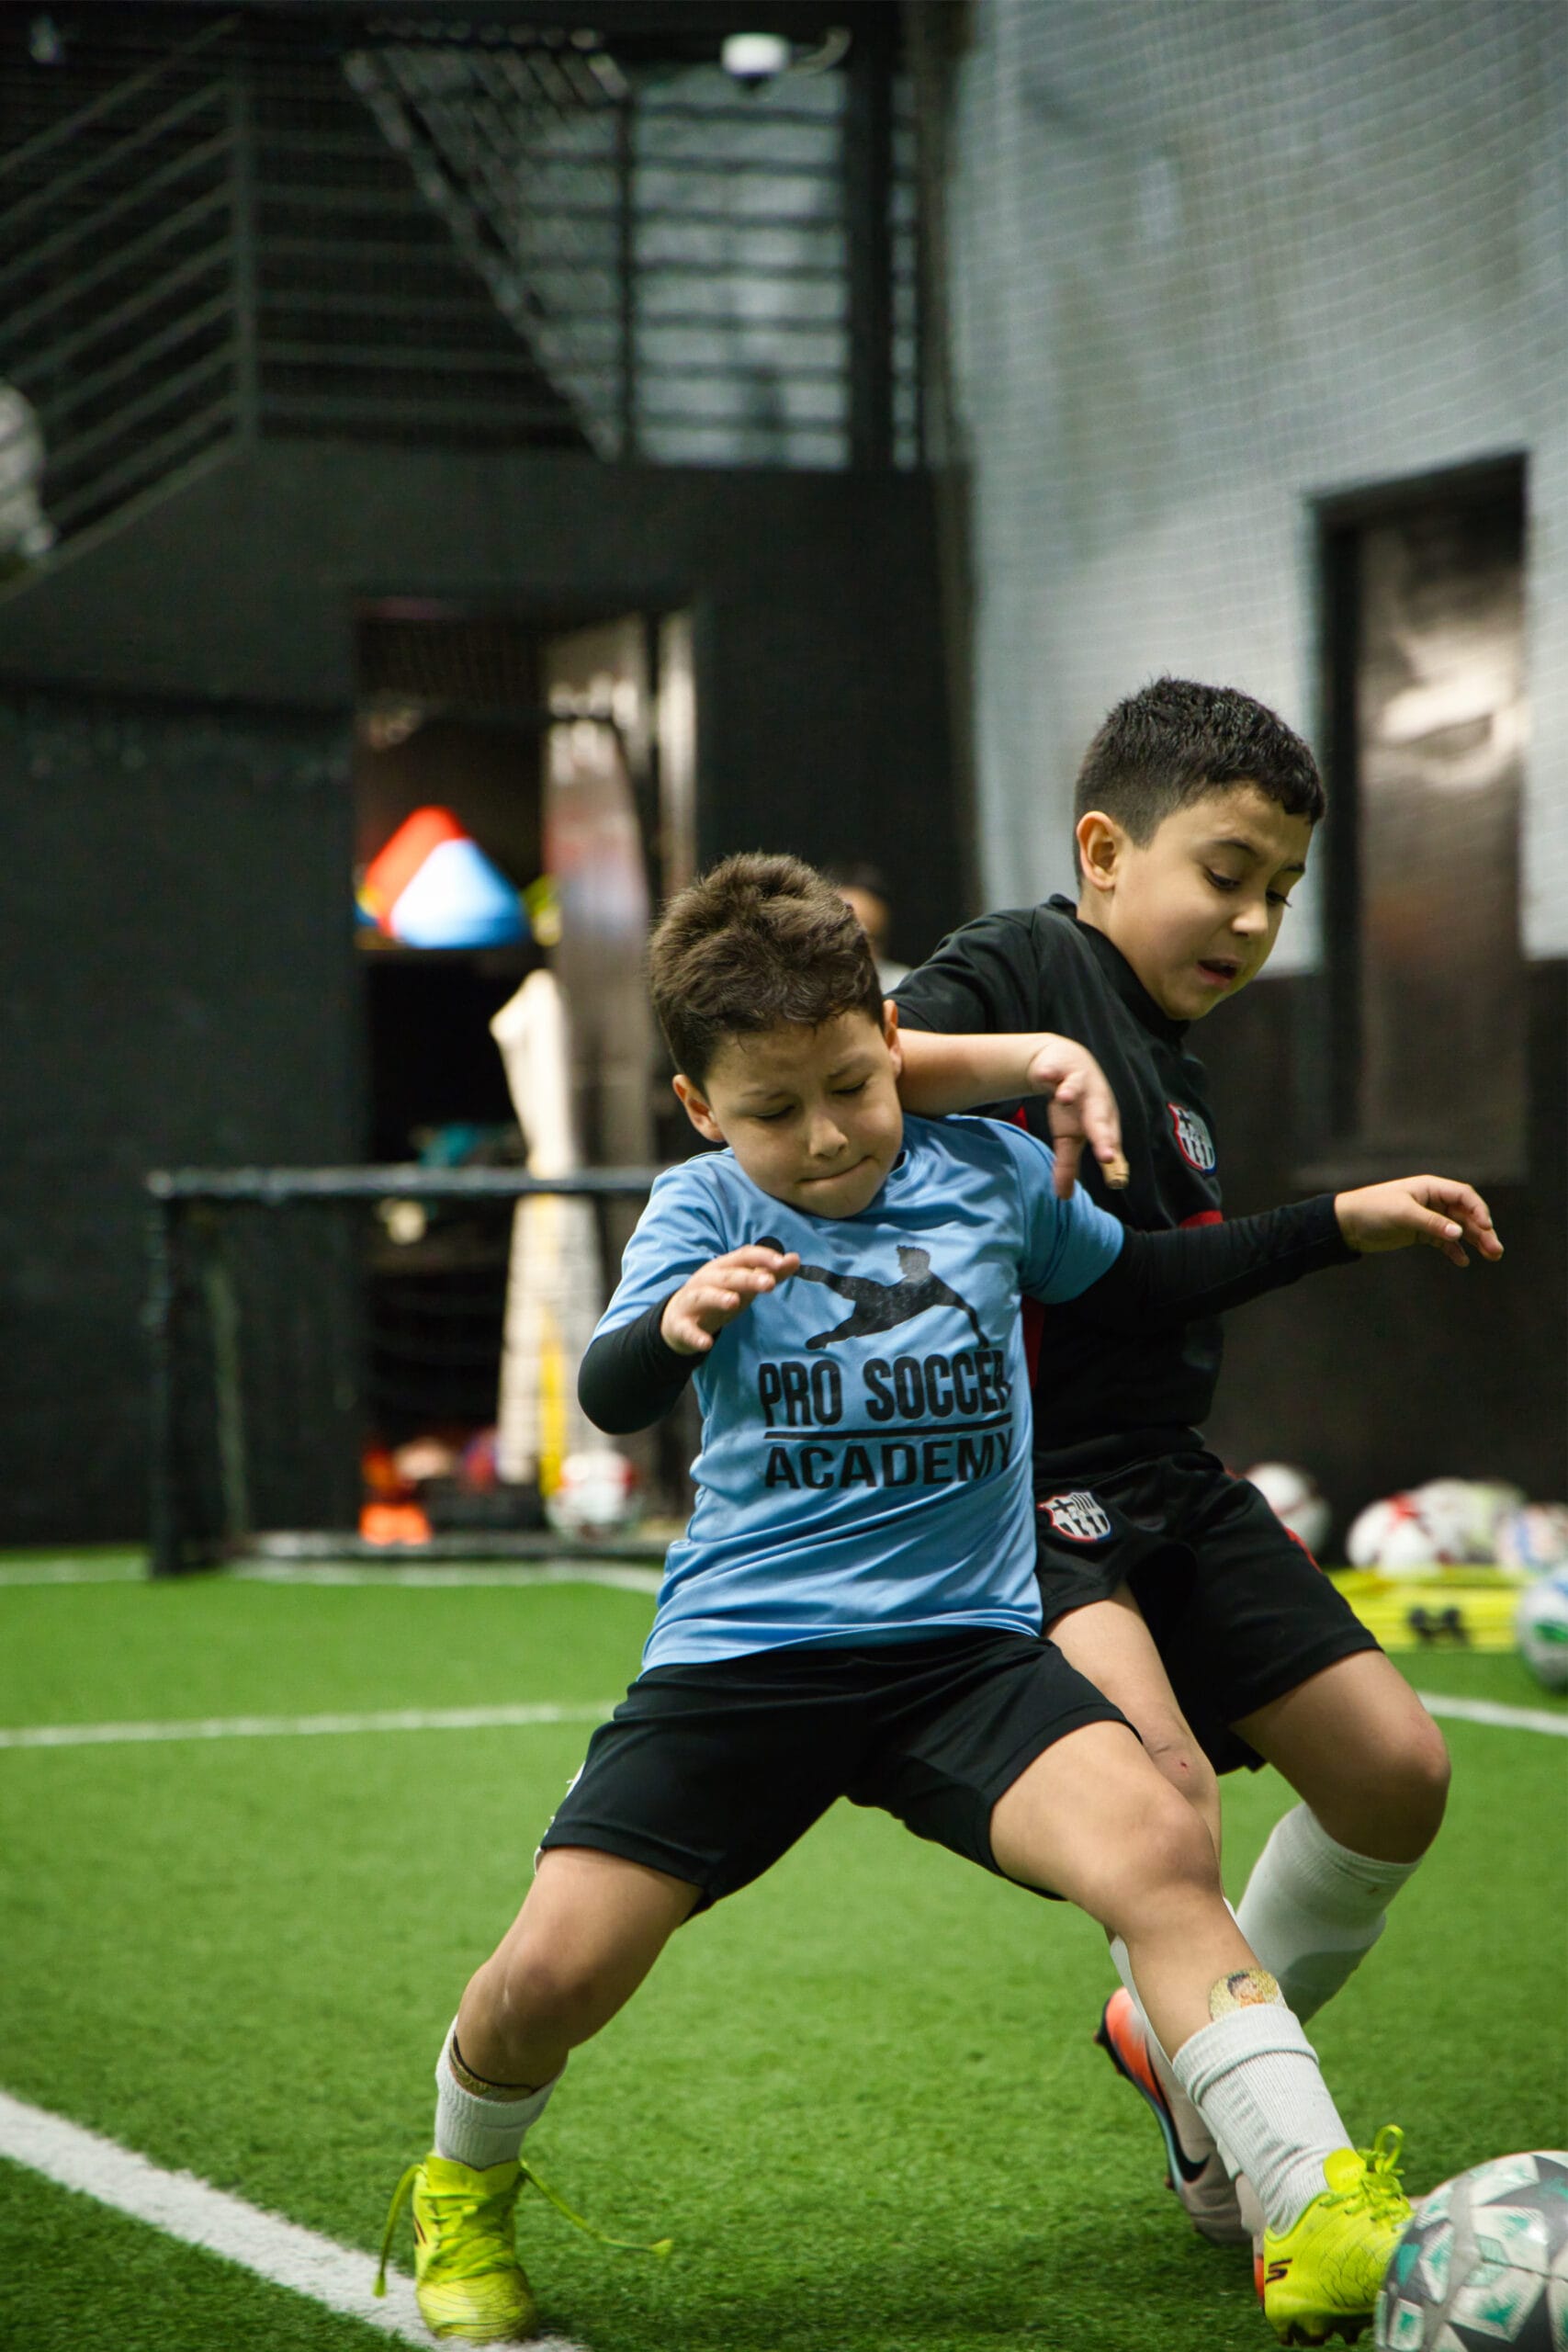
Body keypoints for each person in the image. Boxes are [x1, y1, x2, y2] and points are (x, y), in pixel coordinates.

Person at [378, 852, 1491, 2347]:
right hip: (748, 1662)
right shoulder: (699, 1206)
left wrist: (1336, 1224)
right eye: (774, 1111)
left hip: (964, 1657)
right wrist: (675, 1324)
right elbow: (609, 1385)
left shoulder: (983, 1177)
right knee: (548, 1980)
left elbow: (1146, 1283)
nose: (828, 1136)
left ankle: (1310, 2210)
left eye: (853, 1085)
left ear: (892, 1047)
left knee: (1161, 1843)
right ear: (704, 1109)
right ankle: (461, 2187)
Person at [892, 676, 1505, 2248]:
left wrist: (1335, 1224)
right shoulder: (1025, 965)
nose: (1251, 920)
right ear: (1104, 849)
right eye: (1224, 873)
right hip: (1026, 1489)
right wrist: (1032, 1055)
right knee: (1165, 1808)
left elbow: (1135, 1276)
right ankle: (1266, 2176)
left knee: (1396, 1773)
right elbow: (858, 1062)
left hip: (1166, 1468)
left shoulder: (1177, 1063)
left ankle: (1171, 2045)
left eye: (1281, 893)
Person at [826, 858, 909, 990]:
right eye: (849, 938)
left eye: (876, 940)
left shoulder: (903, 986)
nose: (865, 955)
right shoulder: (795, 991)